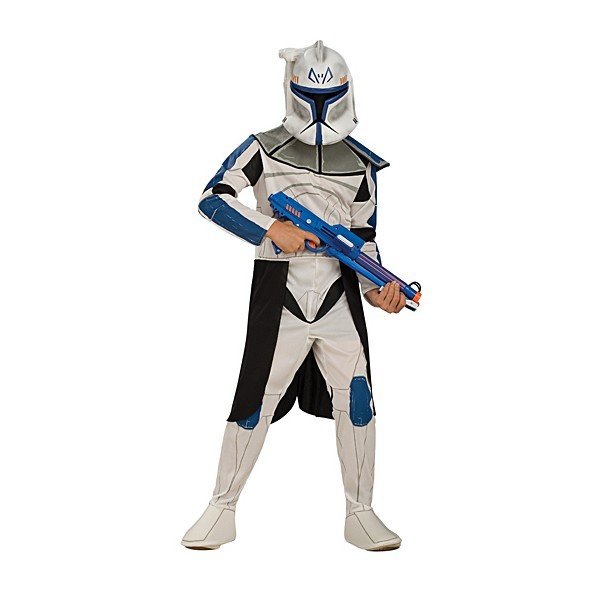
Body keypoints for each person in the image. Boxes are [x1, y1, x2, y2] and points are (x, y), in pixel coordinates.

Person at [182, 41, 406, 551]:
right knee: (253, 401)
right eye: (311, 97)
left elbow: (364, 240)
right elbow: (213, 198)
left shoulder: (361, 164)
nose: (321, 109)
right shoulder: (263, 147)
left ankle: (361, 513)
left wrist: (379, 292)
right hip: (279, 293)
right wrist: (270, 229)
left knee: (358, 401)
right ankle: (221, 508)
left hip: (338, 298)